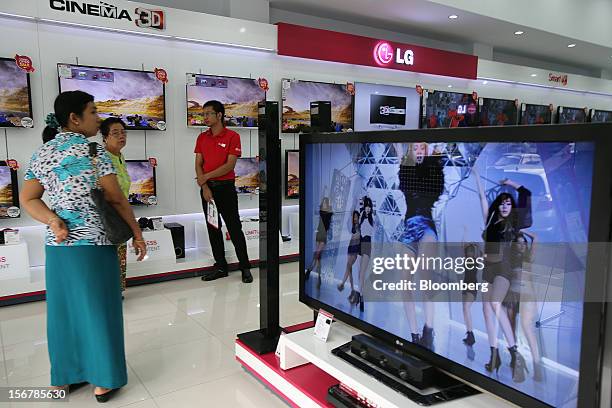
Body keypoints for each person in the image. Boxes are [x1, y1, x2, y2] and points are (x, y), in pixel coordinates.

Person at [20, 91, 146, 403]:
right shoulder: (94, 152)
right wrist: (136, 232)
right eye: (93, 112)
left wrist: (53, 221)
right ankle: (103, 380)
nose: (98, 118)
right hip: (94, 243)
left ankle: (66, 377)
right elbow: (116, 199)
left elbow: (28, 199)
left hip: (58, 248)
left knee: (64, 313)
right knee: (100, 311)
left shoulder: (42, 153)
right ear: (75, 119)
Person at [474, 167, 531, 382]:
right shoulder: (490, 220)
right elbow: (481, 196)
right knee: (487, 311)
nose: (506, 206)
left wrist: (510, 182)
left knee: (496, 304)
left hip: (504, 268)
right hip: (488, 268)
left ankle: (515, 353)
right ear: (498, 205)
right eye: (503, 203)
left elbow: (526, 194)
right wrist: (477, 175)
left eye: (509, 203)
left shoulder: (514, 222)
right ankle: (494, 355)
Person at [194, 100, 253, 283]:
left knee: (235, 228)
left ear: (219, 115)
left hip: (226, 189)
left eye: (208, 114)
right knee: (213, 228)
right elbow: (198, 164)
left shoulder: (232, 136)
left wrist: (206, 177)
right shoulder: (202, 137)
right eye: (203, 114)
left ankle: (245, 267)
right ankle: (221, 267)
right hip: (207, 191)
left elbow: (230, 165)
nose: (205, 117)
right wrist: (204, 186)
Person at [396, 142, 444, 349]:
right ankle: (415, 336)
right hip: (409, 228)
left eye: (422, 149)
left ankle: (429, 330)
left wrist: (434, 160)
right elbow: (405, 179)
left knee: (425, 277)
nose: (419, 152)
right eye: (415, 149)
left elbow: (437, 190)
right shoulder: (406, 172)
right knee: (405, 284)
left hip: (426, 226)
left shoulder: (432, 172)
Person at [101, 117, 131, 297]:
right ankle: (108, 293)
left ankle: (116, 291)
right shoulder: (103, 158)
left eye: (123, 132)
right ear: (104, 137)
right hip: (108, 217)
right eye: (115, 133)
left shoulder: (120, 156)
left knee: (119, 256)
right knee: (109, 258)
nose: (121, 136)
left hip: (121, 215)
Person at [305, 197, 333, 289]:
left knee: (317, 254)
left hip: (324, 235)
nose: (324, 204)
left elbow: (330, 225)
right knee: (319, 258)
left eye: (326, 203)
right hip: (319, 234)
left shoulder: (329, 213)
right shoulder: (320, 212)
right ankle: (319, 278)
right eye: (323, 203)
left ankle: (309, 270)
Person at [353, 197, 374, 312]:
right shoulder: (361, 215)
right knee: (359, 273)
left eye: (369, 207)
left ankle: (361, 298)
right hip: (360, 243)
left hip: (367, 245)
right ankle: (360, 296)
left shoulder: (373, 218)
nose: (368, 209)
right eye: (366, 206)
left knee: (362, 273)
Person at [337, 210, 361, 301]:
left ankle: (343, 283)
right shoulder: (354, 227)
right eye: (353, 217)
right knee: (349, 269)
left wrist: (355, 236)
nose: (354, 219)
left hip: (355, 250)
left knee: (348, 266)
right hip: (350, 248)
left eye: (356, 217)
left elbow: (357, 236)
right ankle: (352, 291)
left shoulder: (360, 227)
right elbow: (354, 236)